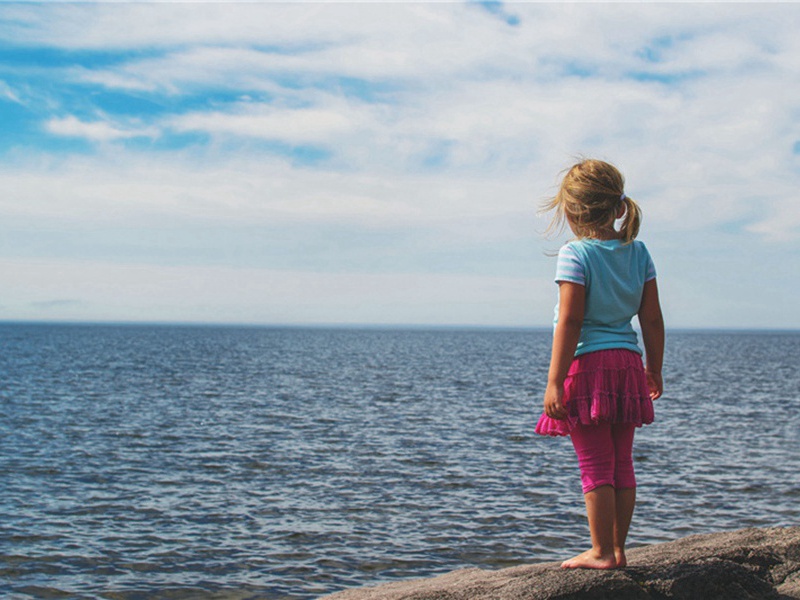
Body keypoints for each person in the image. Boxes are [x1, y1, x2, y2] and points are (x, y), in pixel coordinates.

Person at [534, 158, 664, 570]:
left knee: (595, 465)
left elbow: (571, 320)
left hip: (589, 367)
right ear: (617, 206)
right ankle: (619, 549)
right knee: (621, 461)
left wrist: (554, 382)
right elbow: (653, 319)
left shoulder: (576, 254)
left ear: (571, 213)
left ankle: (601, 552)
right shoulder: (638, 252)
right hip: (627, 365)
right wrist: (654, 368)